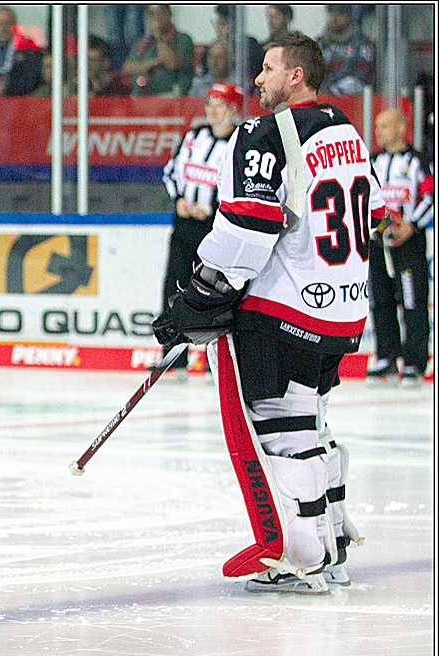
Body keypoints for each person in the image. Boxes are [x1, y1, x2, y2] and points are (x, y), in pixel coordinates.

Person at [154, 33, 384, 594]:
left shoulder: (265, 132)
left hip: (284, 308)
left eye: (267, 68)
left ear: (296, 76)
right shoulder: (344, 130)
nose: (258, 80)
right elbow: (374, 211)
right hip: (343, 307)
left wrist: (201, 294)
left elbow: (247, 227)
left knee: (284, 433)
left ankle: (304, 557)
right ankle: (331, 547)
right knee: (312, 422)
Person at [156, 82, 242, 376]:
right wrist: (179, 199)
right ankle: (172, 354)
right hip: (184, 226)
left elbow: (239, 188)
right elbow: (171, 171)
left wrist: (216, 208)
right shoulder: (193, 136)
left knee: (215, 293)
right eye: (209, 103)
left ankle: (214, 360)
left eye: (218, 104)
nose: (211, 109)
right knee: (174, 287)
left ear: (233, 109)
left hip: (215, 230)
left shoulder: (238, 144)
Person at [366, 108, 434, 386]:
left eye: (385, 125)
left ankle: (415, 362)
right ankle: (386, 357)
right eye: (377, 125)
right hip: (380, 240)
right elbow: (367, 197)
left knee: (412, 301)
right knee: (380, 299)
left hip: (409, 242)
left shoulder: (419, 161)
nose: (378, 131)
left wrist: (412, 225)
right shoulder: (373, 161)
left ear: (401, 127)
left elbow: (430, 197)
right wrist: (376, 227)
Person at [122, 5, 194, 97]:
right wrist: (154, 62)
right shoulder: (144, 42)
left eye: (160, 12)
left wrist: (159, 36)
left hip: (170, 96)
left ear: (169, 14)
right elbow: (127, 68)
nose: (156, 17)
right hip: (141, 97)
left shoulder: (182, 39)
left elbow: (172, 63)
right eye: (152, 14)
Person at [317, 5, 374, 95]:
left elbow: (361, 78)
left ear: (349, 15)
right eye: (331, 11)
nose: (334, 17)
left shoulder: (362, 44)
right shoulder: (320, 43)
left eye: (340, 13)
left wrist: (332, 91)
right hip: (321, 99)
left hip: (352, 101)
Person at [210, 5, 263, 93]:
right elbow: (204, 72)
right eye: (220, 20)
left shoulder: (248, 43)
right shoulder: (213, 47)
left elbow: (248, 70)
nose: (222, 24)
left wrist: (226, 40)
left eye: (225, 21)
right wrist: (221, 39)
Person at [0, 6, 42, 96]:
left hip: (18, 102)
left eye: (6, 23)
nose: (3, 28)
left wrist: (8, 89)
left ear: (14, 24)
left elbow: (31, 79)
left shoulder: (27, 49)